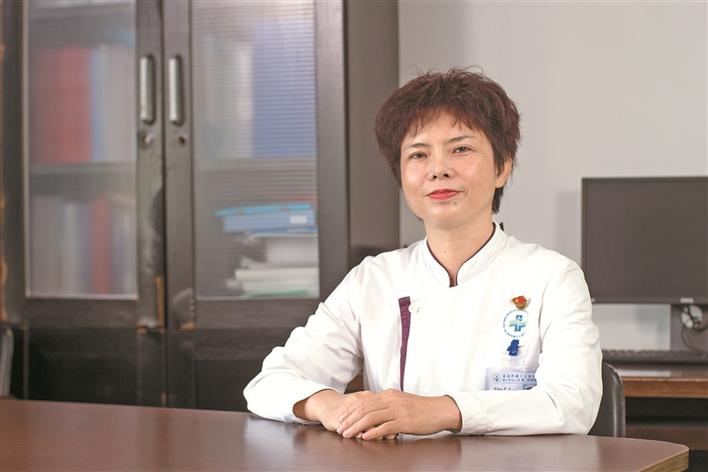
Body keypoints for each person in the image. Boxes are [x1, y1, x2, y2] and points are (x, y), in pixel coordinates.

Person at [244, 68, 602, 440]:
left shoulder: (551, 277)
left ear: (502, 167)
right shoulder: (374, 279)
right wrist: (330, 406)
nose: (438, 170)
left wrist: (438, 411)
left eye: (461, 149)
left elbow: (572, 403)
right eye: (418, 154)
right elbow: (269, 383)